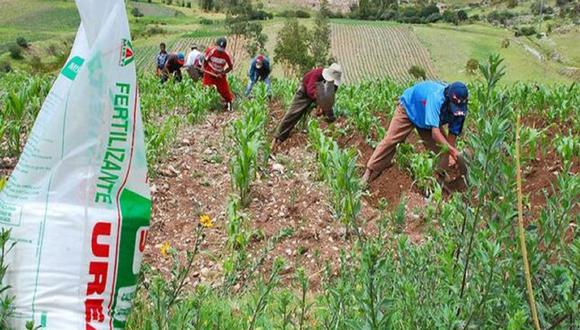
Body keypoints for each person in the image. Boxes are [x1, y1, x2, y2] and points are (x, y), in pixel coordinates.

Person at [362, 81, 469, 185]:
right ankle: (369, 171)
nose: (457, 110)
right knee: (391, 140)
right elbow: (435, 134)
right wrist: (453, 151)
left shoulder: (460, 110)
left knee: (442, 151)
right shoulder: (436, 98)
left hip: (427, 121)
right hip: (409, 108)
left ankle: (441, 181)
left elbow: (452, 134)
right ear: (448, 98)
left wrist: (451, 153)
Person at [272, 63, 343, 151]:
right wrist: (320, 102)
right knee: (292, 114)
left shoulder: (334, 84)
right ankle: (279, 136)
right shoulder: (317, 74)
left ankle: (332, 131)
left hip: (320, 95)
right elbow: (310, 91)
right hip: (304, 93)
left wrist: (324, 106)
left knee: (329, 111)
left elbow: (331, 94)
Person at [203, 37, 234, 111]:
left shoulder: (226, 55)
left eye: (222, 49)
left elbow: (230, 67)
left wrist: (223, 72)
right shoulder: (211, 51)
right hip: (210, 72)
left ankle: (229, 105)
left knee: (225, 90)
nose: (220, 51)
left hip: (220, 74)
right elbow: (205, 61)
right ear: (216, 46)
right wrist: (204, 69)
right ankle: (207, 106)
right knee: (207, 88)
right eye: (219, 48)